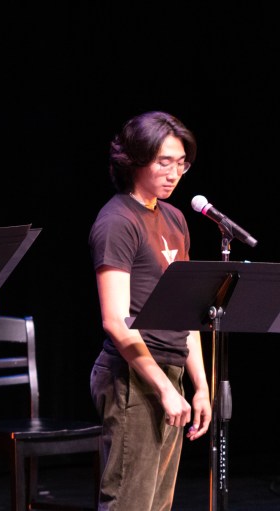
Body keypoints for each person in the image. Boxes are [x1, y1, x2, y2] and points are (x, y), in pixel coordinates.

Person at [88, 111, 212, 510]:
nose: (174, 173)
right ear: (134, 160)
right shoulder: (117, 221)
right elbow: (115, 321)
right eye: (164, 162)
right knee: (130, 501)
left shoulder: (174, 218)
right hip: (134, 376)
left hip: (169, 371)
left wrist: (200, 387)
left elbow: (187, 311)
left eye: (181, 163)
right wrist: (161, 387)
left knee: (158, 503)